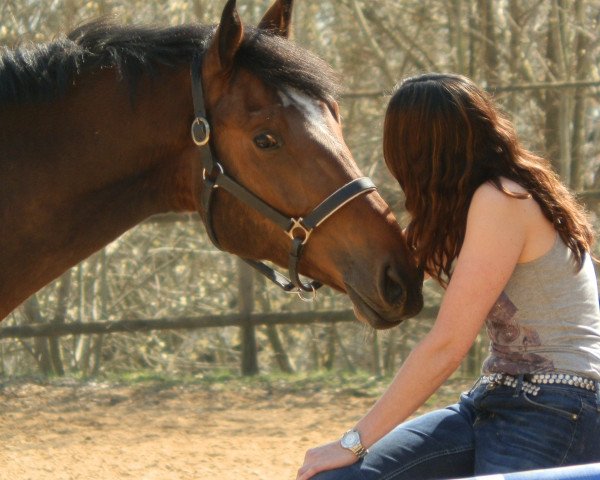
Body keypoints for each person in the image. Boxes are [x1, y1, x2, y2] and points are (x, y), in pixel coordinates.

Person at [296, 73, 600, 480]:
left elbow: (447, 345)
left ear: (414, 152)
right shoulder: (465, 209)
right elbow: (381, 264)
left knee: (347, 464)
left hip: (557, 404)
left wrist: (352, 442)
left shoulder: (502, 200)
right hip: (490, 399)